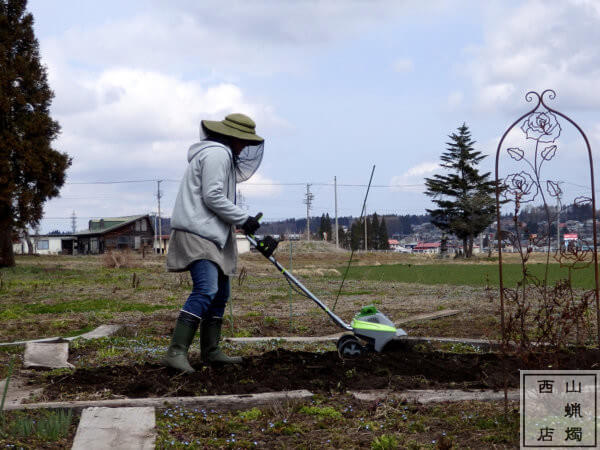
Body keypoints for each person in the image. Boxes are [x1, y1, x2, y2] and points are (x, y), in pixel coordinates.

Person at [163, 113, 264, 373]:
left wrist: (243, 223)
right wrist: (244, 218)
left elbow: (214, 198)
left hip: (212, 233)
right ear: (231, 137)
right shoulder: (218, 153)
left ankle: (211, 351)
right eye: (242, 141)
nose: (243, 147)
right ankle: (176, 352)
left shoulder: (218, 155)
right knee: (207, 289)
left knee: (221, 294)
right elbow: (213, 196)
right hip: (198, 232)